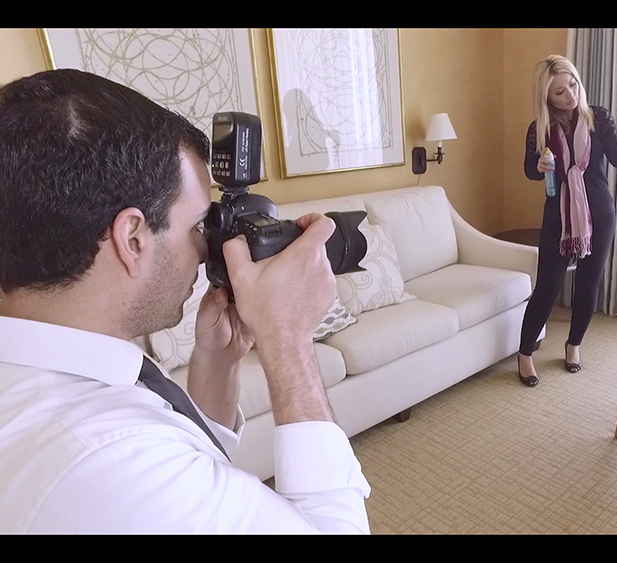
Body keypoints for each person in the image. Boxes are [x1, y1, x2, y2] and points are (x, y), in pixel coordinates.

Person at [0, 69, 372, 533]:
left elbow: (187, 453)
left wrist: (218, 361)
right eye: (197, 225)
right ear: (132, 239)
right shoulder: (116, 467)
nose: (204, 250)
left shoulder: (61, 366)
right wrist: (289, 342)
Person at [517, 55, 617, 387]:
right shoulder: (540, 128)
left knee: (589, 284)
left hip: (600, 213)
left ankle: (574, 345)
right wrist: (540, 167)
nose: (570, 95)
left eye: (572, 84)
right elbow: (530, 170)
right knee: (548, 286)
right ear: (546, 96)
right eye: (559, 91)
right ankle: (525, 354)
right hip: (557, 215)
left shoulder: (598, 117)